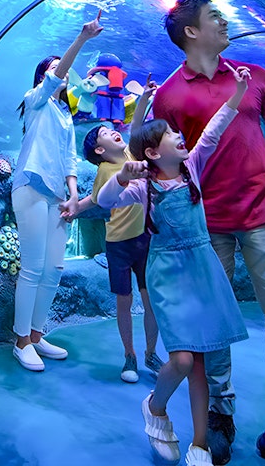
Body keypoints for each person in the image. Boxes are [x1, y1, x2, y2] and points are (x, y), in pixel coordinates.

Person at [151, 0, 265, 464]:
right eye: (214, 16)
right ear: (191, 33)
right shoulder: (169, 96)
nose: (225, 20)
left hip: (263, 211)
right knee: (213, 325)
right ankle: (220, 412)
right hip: (205, 224)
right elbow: (161, 163)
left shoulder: (254, 77)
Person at [97, 64, 252, 466]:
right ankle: (156, 404)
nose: (181, 138)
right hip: (168, 275)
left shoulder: (193, 168)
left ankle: (199, 443)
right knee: (182, 359)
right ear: (152, 152)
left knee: (199, 359)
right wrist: (121, 178)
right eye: (171, 136)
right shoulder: (143, 187)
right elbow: (104, 203)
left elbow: (216, 127)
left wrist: (236, 93)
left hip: (202, 269)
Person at [10, 10, 104, 372]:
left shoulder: (65, 116)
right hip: (31, 188)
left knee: (54, 269)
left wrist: (74, 196)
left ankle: (35, 334)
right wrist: (81, 39)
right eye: (56, 70)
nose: (63, 75)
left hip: (56, 197)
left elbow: (68, 158)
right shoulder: (35, 101)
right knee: (33, 268)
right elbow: (54, 79)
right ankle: (20, 342)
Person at [65, 78, 165, 383]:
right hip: (118, 243)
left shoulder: (135, 156)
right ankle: (129, 355)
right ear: (99, 149)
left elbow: (135, 127)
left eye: (113, 130)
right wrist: (76, 208)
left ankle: (151, 353)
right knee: (125, 301)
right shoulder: (105, 170)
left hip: (145, 239)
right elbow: (97, 199)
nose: (113, 132)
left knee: (151, 300)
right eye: (106, 134)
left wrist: (145, 97)